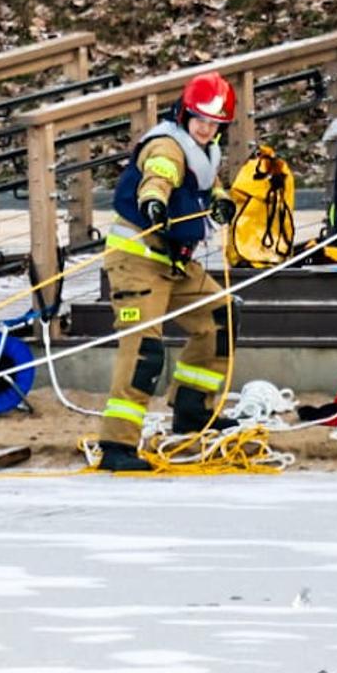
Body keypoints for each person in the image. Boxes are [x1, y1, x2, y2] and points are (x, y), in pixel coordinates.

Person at [93, 71, 242, 472]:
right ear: (183, 114)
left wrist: (222, 201)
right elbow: (159, 177)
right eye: (201, 121)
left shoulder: (204, 149)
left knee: (219, 316)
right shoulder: (166, 145)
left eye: (215, 125)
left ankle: (192, 408)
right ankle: (116, 445)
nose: (208, 130)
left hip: (175, 262)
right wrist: (154, 203)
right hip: (137, 259)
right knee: (144, 350)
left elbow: (208, 185)